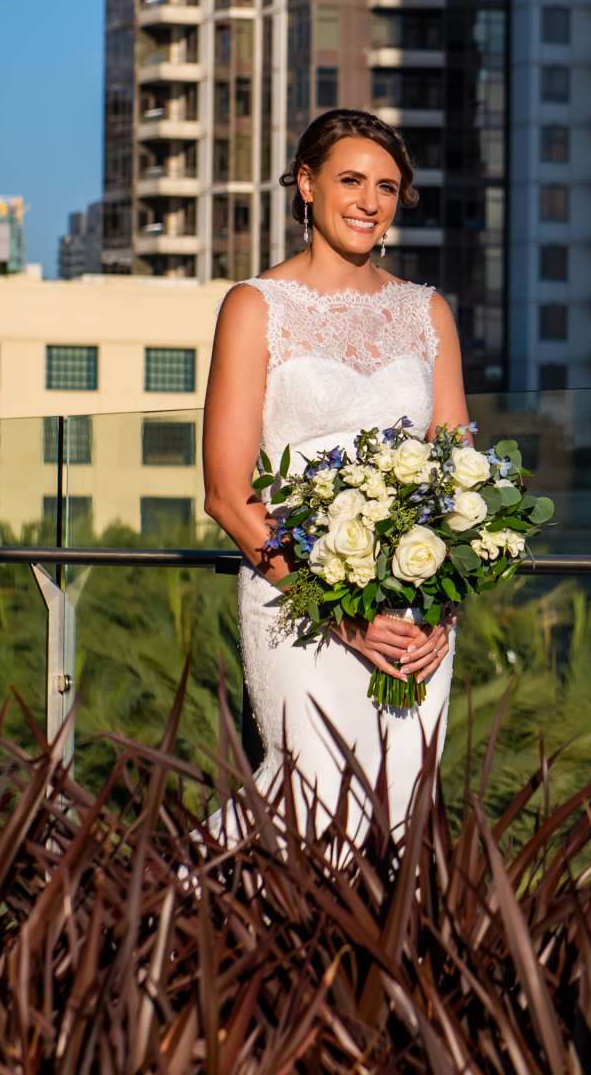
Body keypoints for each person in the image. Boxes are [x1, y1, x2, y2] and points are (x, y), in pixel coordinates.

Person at [200, 109, 466, 835]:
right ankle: (163, 925)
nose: (369, 202)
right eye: (351, 180)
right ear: (307, 185)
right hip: (302, 602)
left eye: (387, 187)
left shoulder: (427, 312)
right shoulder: (256, 307)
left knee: (401, 808)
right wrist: (342, 615)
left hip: (415, 615)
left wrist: (442, 608)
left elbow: (457, 474)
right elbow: (226, 493)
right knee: (310, 789)